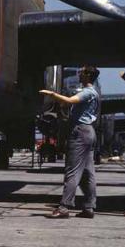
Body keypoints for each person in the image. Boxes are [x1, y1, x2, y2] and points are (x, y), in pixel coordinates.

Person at [40, 65, 100, 219]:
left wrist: (52, 94)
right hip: (89, 132)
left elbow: (69, 101)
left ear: (87, 75)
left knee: (72, 171)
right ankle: (89, 207)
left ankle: (64, 207)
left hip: (80, 132)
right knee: (87, 172)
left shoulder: (87, 92)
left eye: (81, 72)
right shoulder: (94, 92)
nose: (78, 74)